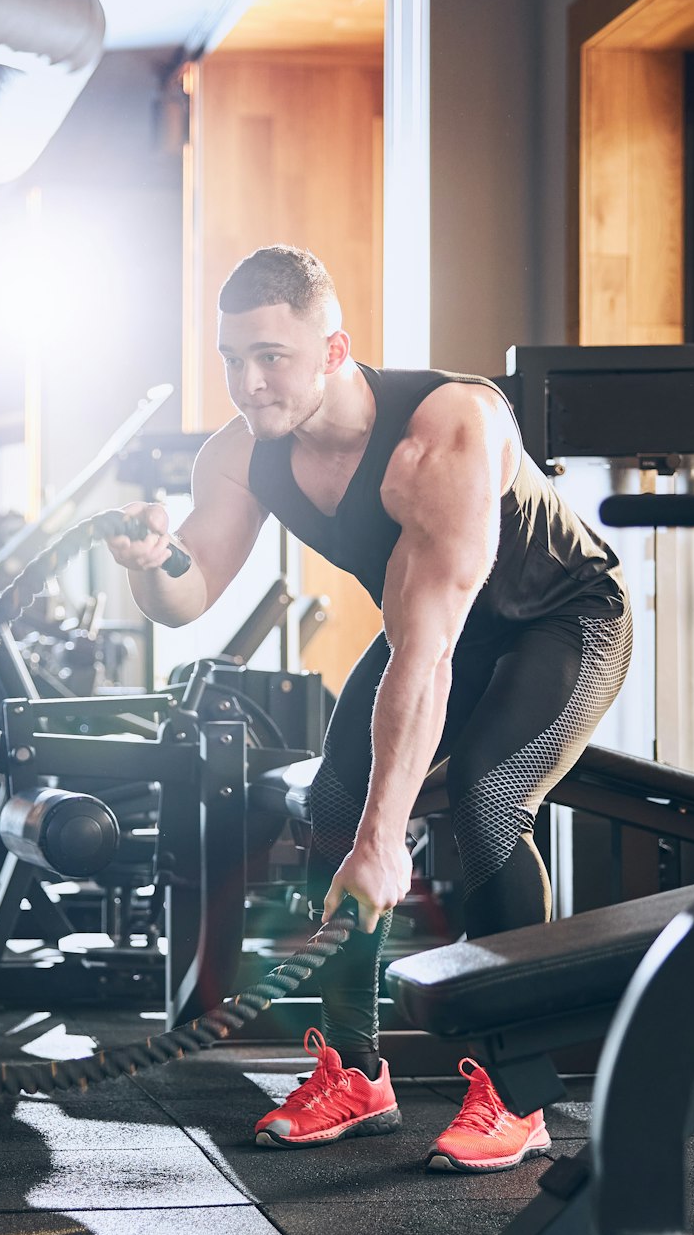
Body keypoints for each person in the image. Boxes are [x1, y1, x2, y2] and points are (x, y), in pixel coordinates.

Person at [105, 245, 631, 1173]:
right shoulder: (242, 454)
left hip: (562, 620)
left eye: (271, 354)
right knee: (332, 807)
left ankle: (519, 1091)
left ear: (334, 347)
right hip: (442, 632)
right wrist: (153, 564)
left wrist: (390, 838)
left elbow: (423, 663)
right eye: (231, 357)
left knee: (485, 799)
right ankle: (355, 1072)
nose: (247, 380)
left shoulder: (446, 430)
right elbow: (186, 600)